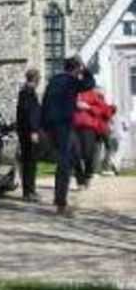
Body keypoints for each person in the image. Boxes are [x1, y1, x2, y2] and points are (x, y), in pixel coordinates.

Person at [41, 55, 95, 217]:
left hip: (53, 125)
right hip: (62, 124)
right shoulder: (71, 81)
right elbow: (90, 84)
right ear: (76, 69)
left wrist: (43, 126)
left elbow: (45, 102)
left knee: (75, 152)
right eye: (79, 69)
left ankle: (79, 180)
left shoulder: (54, 81)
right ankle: (60, 204)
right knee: (64, 163)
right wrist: (86, 69)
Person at [72, 87, 115, 189]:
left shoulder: (92, 94)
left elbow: (104, 110)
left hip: (88, 128)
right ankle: (80, 180)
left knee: (88, 154)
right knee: (75, 154)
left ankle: (88, 175)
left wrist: (88, 107)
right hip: (72, 127)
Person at [16, 68, 42, 203]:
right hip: (28, 132)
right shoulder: (28, 93)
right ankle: (29, 191)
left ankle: (29, 190)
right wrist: (33, 131)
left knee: (29, 161)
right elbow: (30, 113)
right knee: (30, 162)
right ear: (36, 79)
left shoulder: (24, 92)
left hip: (25, 131)